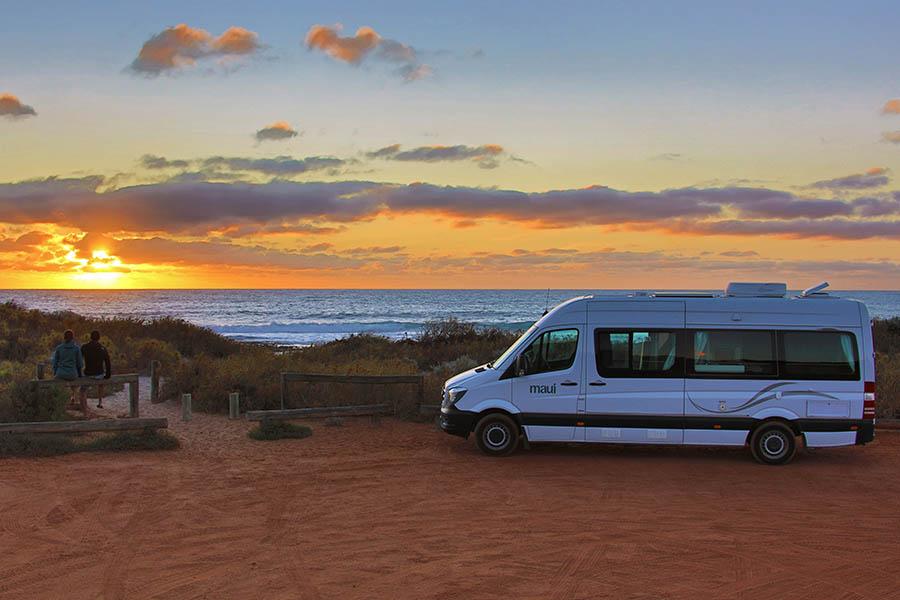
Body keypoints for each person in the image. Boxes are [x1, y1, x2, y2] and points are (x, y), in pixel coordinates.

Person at [51, 330, 84, 408]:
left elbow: (55, 363)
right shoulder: (76, 348)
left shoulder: (59, 348)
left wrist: (55, 373)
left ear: (64, 338)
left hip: (60, 373)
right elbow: (80, 364)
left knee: (58, 385)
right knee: (75, 383)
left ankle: (61, 402)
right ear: (73, 338)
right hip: (72, 374)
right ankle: (73, 398)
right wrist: (80, 374)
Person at [81, 330, 112, 408]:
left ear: (90, 337)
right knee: (100, 385)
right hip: (99, 374)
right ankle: (100, 402)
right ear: (99, 338)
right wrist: (108, 375)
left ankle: (84, 406)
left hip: (88, 373)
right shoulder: (102, 348)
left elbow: (79, 359)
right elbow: (108, 362)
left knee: (83, 390)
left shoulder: (84, 347)